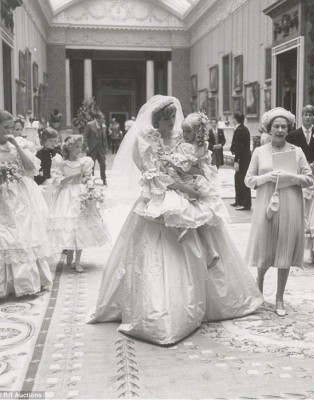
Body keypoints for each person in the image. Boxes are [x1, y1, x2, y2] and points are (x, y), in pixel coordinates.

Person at [87, 95, 263, 345]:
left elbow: (195, 162)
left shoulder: (183, 138)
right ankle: (163, 309)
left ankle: (210, 299)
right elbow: (153, 175)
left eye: (172, 118)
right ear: (155, 121)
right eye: (165, 119)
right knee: (158, 253)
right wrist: (182, 187)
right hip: (160, 198)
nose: (171, 123)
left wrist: (194, 180)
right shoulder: (146, 142)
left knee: (204, 228)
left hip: (187, 195)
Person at [245, 107, 314, 316]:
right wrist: (267, 177)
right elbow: (248, 180)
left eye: (284, 126)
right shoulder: (259, 152)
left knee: (284, 249)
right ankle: (259, 290)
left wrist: (292, 177)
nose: (280, 130)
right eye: (276, 126)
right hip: (267, 204)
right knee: (265, 249)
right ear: (269, 128)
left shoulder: (297, 152)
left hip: (291, 203)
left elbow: (309, 179)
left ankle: (279, 298)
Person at [159, 112, 231, 269]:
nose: (185, 135)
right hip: (201, 178)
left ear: (197, 132)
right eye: (184, 131)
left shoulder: (189, 147)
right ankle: (211, 250)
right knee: (197, 207)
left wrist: (171, 160)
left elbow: (186, 167)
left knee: (191, 203)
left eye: (188, 131)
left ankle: (188, 227)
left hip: (195, 179)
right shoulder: (201, 145)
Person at [0, 109, 52, 299]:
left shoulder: (20, 145)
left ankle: (24, 282)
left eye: (12, 127)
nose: (10, 131)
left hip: (19, 198)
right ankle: (0, 286)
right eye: (5, 128)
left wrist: (16, 146)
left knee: (21, 235)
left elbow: (31, 169)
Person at [46, 135, 111, 273]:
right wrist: (72, 177)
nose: (79, 149)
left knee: (81, 226)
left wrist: (90, 187)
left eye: (80, 147)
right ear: (69, 147)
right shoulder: (61, 163)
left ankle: (78, 261)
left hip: (80, 195)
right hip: (65, 196)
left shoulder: (85, 162)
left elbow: (88, 178)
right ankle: (69, 252)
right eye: (76, 147)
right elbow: (58, 181)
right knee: (69, 226)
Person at [230, 112, 252, 210]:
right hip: (246, 158)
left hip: (242, 159)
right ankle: (239, 201)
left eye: (233, 118)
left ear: (236, 119)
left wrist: (236, 161)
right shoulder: (244, 129)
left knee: (242, 181)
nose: (232, 120)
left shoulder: (239, 130)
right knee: (239, 179)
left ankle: (245, 204)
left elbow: (238, 147)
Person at [83, 111, 107, 185]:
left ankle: (104, 179)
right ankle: (90, 180)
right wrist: (86, 147)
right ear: (97, 118)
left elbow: (104, 137)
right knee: (91, 165)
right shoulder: (89, 125)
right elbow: (84, 137)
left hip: (100, 149)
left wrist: (105, 147)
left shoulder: (103, 126)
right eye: (102, 119)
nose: (103, 120)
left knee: (103, 164)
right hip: (92, 149)